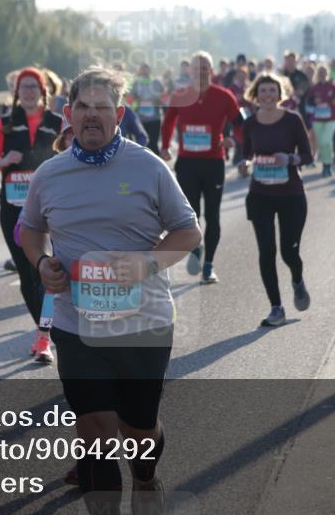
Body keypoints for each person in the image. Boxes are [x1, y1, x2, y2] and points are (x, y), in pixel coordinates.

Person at [19, 66, 202, 515]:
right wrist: (41, 263)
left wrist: (145, 265)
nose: (92, 115)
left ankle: (145, 476)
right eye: (83, 106)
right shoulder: (50, 173)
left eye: (103, 107)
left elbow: (188, 230)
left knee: (137, 431)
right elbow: (29, 229)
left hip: (144, 323)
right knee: (96, 432)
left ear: (119, 114)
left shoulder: (148, 167)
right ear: (68, 113)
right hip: (77, 325)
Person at [0, 67, 62, 362]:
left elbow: (73, 156)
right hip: (14, 210)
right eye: (23, 87)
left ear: (43, 91)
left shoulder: (57, 122)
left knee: (50, 270)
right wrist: (3, 160)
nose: (28, 91)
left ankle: (48, 333)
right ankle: (43, 335)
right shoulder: (5, 124)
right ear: (16, 92)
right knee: (28, 273)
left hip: (50, 209)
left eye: (33, 86)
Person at [237, 74, 313, 326]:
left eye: (272, 91)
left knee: (289, 253)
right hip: (260, 195)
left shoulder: (292, 120)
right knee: (266, 252)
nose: (268, 95)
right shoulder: (250, 124)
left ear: (280, 94)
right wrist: (244, 164)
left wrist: (290, 160)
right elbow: (245, 153)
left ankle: (297, 281)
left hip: (291, 195)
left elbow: (307, 155)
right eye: (263, 91)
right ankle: (276, 308)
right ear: (255, 95)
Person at [160, 51, 241, 284]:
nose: (201, 72)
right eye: (197, 68)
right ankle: (196, 249)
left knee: (213, 215)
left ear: (212, 71)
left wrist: (233, 140)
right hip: (187, 162)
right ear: (190, 71)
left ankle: (208, 265)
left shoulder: (224, 96)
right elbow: (168, 123)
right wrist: (165, 147)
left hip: (214, 161)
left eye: (205, 68)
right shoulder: (180, 95)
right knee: (191, 214)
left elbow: (240, 124)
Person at [127, 63, 165, 153]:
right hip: (139, 120)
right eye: (142, 69)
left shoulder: (156, 82)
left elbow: (165, 97)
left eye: (146, 69)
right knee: (140, 145)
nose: (144, 71)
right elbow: (128, 99)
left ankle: (156, 165)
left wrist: (157, 101)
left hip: (154, 119)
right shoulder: (135, 83)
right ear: (139, 71)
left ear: (149, 70)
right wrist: (136, 99)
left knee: (153, 144)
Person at [308, 66, 335, 177]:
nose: (322, 74)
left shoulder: (332, 87)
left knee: (326, 141)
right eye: (320, 72)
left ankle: (328, 165)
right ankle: (325, 166)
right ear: (317, 74)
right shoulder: (314, 88)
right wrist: (315, 102)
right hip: (318, 119)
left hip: (331, 118)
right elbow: (309, 102)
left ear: (327, 73)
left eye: (324, 72)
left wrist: (332, 102)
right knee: (321, 143)